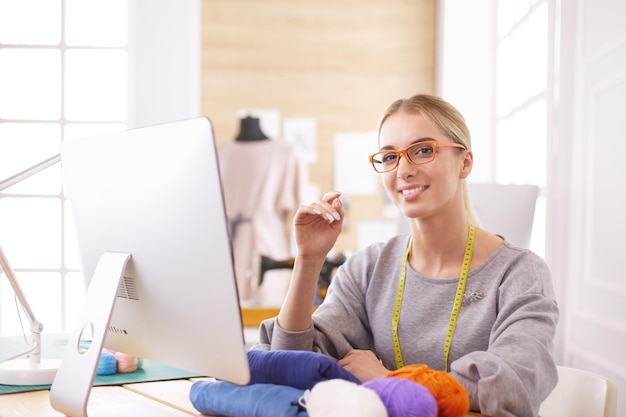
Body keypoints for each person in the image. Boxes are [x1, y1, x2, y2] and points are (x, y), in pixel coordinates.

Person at [252, 94, 559, 416]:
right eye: (389, 157)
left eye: (423, 150)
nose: (404, 170)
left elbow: (509, 386)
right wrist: (309, 259)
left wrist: (387, 379)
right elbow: (288, 364)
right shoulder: (369, 268)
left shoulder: (520, 273)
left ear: (465, 162)